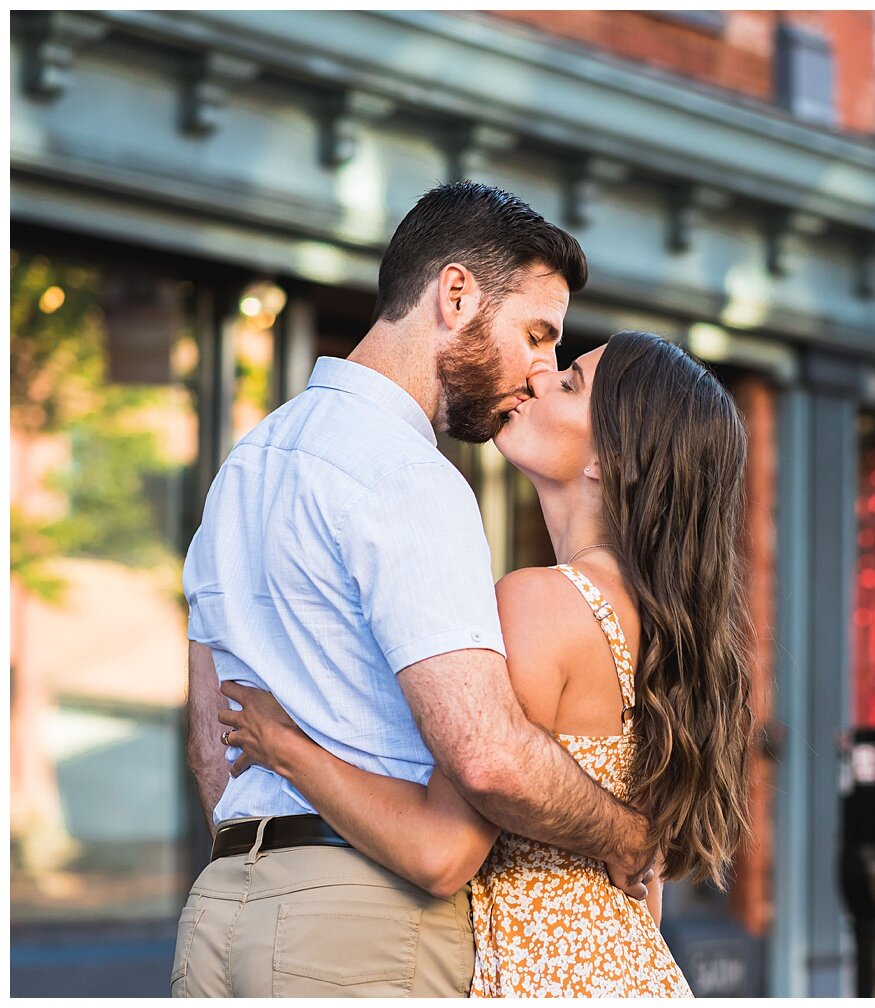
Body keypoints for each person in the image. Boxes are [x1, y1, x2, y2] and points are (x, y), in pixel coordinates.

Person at [175, 182, 656, 998]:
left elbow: (209, 747)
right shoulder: (409, 476)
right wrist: (624, 835)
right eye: (536, 334)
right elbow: (489, 757)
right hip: (361, 926)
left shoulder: (245, 467)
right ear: (456, 293)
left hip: (217, 912)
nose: (541, 372)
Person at [219, 330, 754, 997]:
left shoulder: (542, 603)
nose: (536, 378)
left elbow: (437, 851)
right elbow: (646, 895)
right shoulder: (658, 630)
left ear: (610, 460)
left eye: (570, 383)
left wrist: (285, 745)